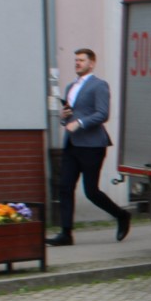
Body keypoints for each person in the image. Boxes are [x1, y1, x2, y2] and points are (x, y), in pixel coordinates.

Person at [49, 48, 130, 246]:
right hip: (71, 144)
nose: (77, 63)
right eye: (76, 60)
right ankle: (66, 233)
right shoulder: (71, 87)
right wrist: (64, 117)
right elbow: (70, 114)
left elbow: (103, 114)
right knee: (65, 187)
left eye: (81, 60)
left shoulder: (99, 85)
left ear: (91, 63)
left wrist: (80, 123)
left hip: (92, 145)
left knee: (91, 191)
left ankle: (121, 215)